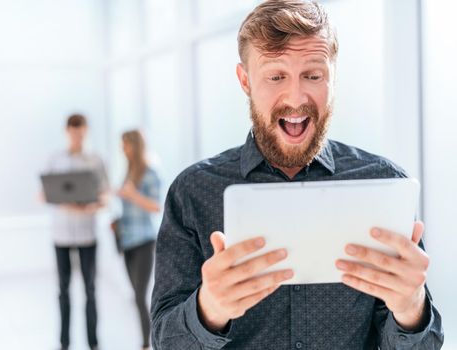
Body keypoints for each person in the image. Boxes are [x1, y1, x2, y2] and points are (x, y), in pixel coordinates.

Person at [150, 1, 444, 349]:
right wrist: (209, 309)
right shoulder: (193, 193)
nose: (295, 97)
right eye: (276, 77)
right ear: (245, 80)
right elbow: (165, 340)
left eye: (313, 75)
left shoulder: (384, 184)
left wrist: (411, 310)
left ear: (333, 77)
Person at [45, 114, 109, 350]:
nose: (77, 137)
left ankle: (93, 343)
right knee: (63, 289)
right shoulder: (55, 160)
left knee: (90, 290)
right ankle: (64, 342)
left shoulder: (95, 160)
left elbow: (105, 195)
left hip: (87, 234)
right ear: (66, 132)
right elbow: (44, 193)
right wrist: (62, 201)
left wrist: (91, 206)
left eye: (81, 133)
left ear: (86, 131)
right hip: (61, 234)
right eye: (73, 133)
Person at [116, 130, 161, 350]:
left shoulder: (150, 173)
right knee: (136, 296)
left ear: (135, 146)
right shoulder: (127, 173)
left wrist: (132, 195)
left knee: (142, 295)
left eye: (125, 145)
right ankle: (146, 341)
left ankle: (148, 343)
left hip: (144, 241)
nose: (122, 149)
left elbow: (155, 206)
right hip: (127, 241)